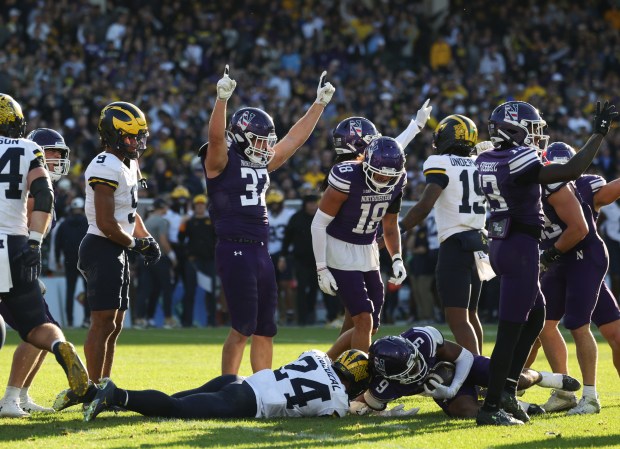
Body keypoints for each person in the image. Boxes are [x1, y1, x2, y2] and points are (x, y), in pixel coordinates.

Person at [473, 100, 617, 425]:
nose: (538, 137)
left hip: (503, 241)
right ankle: (492, 406)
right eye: (533, 129)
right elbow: (570, 171)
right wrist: (597, 135)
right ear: (515, 130)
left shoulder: (486, 158)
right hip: (520, 246)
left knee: (537, 315)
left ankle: (507, 390)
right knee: (510, 332)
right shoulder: (519, 157)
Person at [202, 65, 335, 375]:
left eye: (266, 141)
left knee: (266, 327)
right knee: (243, 326)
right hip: (234, 247)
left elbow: (292, 141)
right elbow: (216, 137)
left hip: (261, 249)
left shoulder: (259, 160)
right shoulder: (220, 157)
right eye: (259, 140)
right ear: (241, 136)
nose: (265, 147)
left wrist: (318, 105)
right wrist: (221, 100)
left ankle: (262, 384)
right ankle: (228, 386)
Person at [54, 101, 161, 411]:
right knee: (102, 323)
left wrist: (146, 238)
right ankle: (90, 390)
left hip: (117, 245)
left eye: (140, 136)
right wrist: (134, 245)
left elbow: (129, 214)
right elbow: (105, 222)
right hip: (102, 245)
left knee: (115, 325)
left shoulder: (128, 163)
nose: (137, 143)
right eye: (130, 137)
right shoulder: (104, 164)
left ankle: (104, 388)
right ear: (111, 135)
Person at [0, 94, 90, 417]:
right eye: (50, 154)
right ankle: (11, 396)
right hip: (13, 251)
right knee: (38, 326)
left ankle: (19, 395)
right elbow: (36, 202)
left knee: (42, 323)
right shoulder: (27, 154)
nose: (55, 160)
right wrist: (33, 246)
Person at [525, 141, 620, 414]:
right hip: (558, 263)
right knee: (542, 325)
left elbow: (613, 191)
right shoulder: (532, 186)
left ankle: (589, 397)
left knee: (581, 326)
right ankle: (563, 391)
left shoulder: (586, 187)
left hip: (583, 260)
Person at [383, 114, 487, 355]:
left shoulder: (440, 161)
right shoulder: (481, 162)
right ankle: (484, 373)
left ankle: (478, 374)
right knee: (471, 315)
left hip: (456, 243)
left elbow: (425, 204)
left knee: (458, 318)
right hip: (480, 244)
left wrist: (398, 229)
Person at [351, 327, 580, 421]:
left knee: (511, 378)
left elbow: (464, 357)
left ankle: (544, 377)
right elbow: (359, 405)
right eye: (408, 370)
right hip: (441, 385)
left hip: (463, 367)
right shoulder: (381, 388)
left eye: (414, 363)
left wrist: (450, 388)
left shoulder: (423, 339)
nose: (416, 369)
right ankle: (521, 406)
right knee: (466, 412)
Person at [312, 136, 407, 359]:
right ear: (365, 164)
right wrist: (321, 268)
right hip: (340, 247)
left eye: (389, 175)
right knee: (363, 318)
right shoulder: (347, 177)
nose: (383, 178)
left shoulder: (398, 180)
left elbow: (390, 225)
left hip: (369, 248)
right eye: (378, 172)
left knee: (370, 324)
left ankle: (328, 362)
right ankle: (357, 379)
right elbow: (318, 223)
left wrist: (397, 258)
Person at [84, 349, 371, 422]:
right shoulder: (337, 401)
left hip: (238, 380)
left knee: (169, 403)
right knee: (175, 409)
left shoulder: (317, 355)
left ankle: (95, 395)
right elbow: (329, 418)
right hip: (246, 402)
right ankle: (115, 395)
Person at [281, 193, 322, 326]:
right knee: (301, 289)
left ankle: (310, 314)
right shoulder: (296, 218)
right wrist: (283, 256)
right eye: (310, 203)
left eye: (314, 203)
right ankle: (302, 318)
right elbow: (287, 239)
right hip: (300, 260)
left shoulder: (322, 217)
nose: (312, 206)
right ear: (305, 205)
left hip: (318, 260)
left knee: (314, 289)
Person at [178, 194, 217, 327]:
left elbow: (217, 239)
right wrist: (182, 223)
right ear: (194, 207)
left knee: (211, 292)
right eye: (197, 205)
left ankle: (212, 321)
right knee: (190, 291)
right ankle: (187, 321)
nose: (200, 207)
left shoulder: (212, 221)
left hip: (209, 260)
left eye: (202, 205)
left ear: (205, 206)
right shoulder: (188, 222)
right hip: (193, 261)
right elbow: (180, 238)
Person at [139, 198, 177, 328]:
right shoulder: (161, 221)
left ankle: (141, 319)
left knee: (145, 290)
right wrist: (172, 256)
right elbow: (163, 241)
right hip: (159, 258)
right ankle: (168, 319)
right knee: (166, 289)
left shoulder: (147, 221)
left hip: (145, 258)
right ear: (163, 207)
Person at [55, 196, 89, 328]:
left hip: (69, 261)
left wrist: (58, 259)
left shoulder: (64, 224)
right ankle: (87, 319)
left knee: (70, 291)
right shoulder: (87, 223)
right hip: (85, 261)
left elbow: (57, 244)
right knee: (88, 291)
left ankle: (69, 320)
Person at [266, 188, 296, 325]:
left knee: (286, 284)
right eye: (272, 204)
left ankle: (290, 312)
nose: (274, 206)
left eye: (276, 203)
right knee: (272, 286)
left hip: (285, 253)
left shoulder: (289, 214)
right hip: (268, 253)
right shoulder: (265, 214)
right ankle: (277, 314)